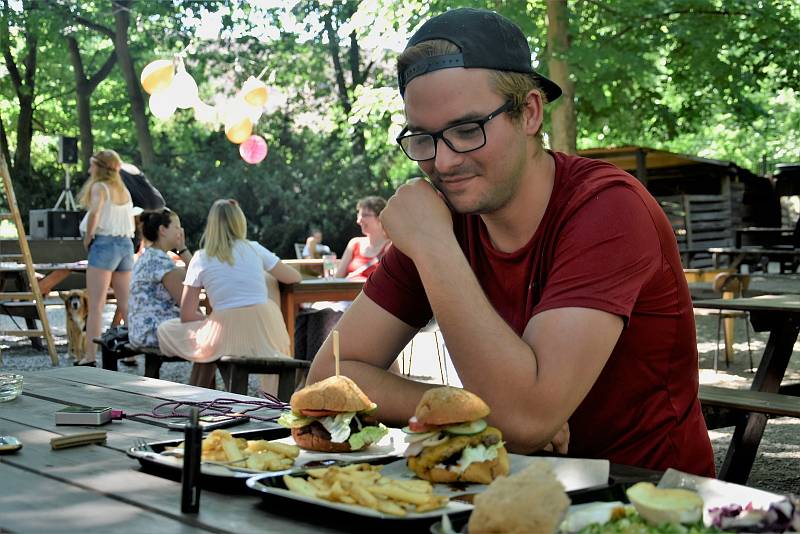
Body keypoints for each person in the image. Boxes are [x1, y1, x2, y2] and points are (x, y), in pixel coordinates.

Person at [307, 8, 714, 477]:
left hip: (643, 502)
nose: (442, 162)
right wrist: (463, 408)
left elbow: (524, 421)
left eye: (466, 130)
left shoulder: (609, 209)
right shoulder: (444, 220)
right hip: (507, 493)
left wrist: (435, 247)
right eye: (423, 138)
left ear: (530, 113)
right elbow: (330, 375)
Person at [157, 199, 302, 391]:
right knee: (269, 281)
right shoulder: (255, 249)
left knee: (166, 329)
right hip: (264, 328)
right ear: (239, 222)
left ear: (212, 225)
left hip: (223, 331)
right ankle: (274, 398)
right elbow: (293, 277)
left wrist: (209, 320)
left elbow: (187, 315)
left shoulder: (201, 257)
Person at [75, 149, 136, 366]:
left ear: (100, 167)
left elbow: (95, 213)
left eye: (92, 164)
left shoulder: (100, 188)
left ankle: (90, 356)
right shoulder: (124, 191)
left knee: (96, 305)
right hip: (125, 246)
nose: (89, 168)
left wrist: (88, 237)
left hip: (104, 244)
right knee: (125, 303)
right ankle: (131, 351)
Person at [128, 208, 192, 349]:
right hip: (153, 331)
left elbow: (193, 274)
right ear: (162, 230)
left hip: (141, 330)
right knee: (212, 333)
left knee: (209, 331)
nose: (180, 231)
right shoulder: (160, 261)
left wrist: (182, 249)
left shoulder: (150, 256)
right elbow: (188, 304)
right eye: (176, 227)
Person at [335, 196, 391, 280]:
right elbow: (337, 278)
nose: (359, 220)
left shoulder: (390, 247)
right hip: (349, 292)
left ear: (380, 217)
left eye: (364, 215)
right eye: (359, 215)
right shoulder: (354, 243)